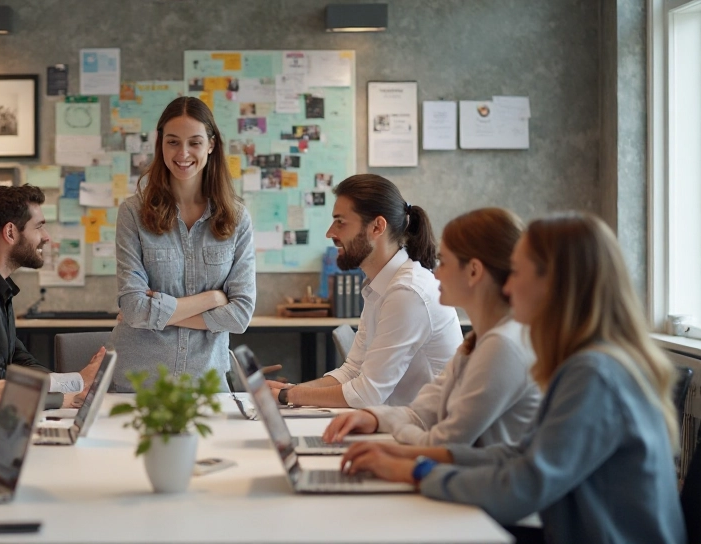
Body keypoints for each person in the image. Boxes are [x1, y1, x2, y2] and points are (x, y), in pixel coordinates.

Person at [339, 213, 685, 544]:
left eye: (517, 271)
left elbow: (524, 487)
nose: (509, 283)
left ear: (553, 283)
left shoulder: (594, 374)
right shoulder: (589, 361)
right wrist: (407, 460)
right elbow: (520, 454)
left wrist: (415, 473)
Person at [323, 208, 540, 447]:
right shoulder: (477, 341)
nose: (435, 272)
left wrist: (389, 440)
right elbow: (421, 413)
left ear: (474, 271)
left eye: (444, 261)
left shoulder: (502, 347)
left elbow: (443, 443)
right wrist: (373, 418)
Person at [268, 174, 463, 408]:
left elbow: (366, 393)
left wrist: (288, 396)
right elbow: (352, 371)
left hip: (428, 432)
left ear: (377, 227)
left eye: (341, 222)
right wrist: (292, 390)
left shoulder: (407, 292)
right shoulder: (380, 285)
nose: (330, 233)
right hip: (398, 424)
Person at [112, 96, 256, 391]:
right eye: (173, 142)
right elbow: (135, 308)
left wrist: (157, 312)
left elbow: (240, 315)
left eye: (195, 142)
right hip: (139, 384)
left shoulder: (237, 218)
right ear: (160, 143)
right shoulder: (132, 213)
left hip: (207, 383)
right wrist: (213, 299)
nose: (183, 153)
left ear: (211, 145)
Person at [0, 185, 104, 410]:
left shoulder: (1, 289)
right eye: (39, 226)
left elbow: (19, 359)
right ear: (11, 232)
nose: (46, 237)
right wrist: (74, 386)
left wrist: (73, 384)